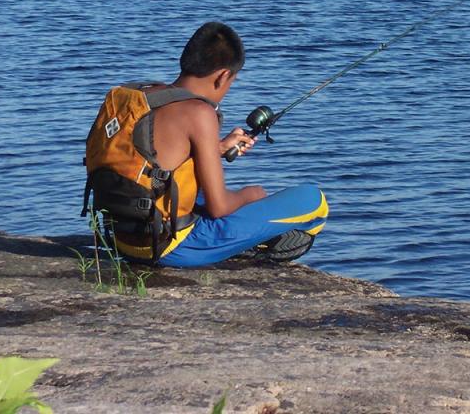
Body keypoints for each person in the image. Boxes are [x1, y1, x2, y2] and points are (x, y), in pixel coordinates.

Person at [82, 22, 327, 267]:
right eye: (232, 81)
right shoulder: (200, 112)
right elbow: (218, 207)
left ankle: (244, 240)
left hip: (120, 240)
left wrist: (216, 148)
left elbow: (148, 164)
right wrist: (252, 194)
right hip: (173, 247)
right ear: (222, 76)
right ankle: (251, 244)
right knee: (313, 200)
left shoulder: (135, 95)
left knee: (200, 191)